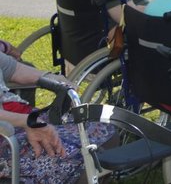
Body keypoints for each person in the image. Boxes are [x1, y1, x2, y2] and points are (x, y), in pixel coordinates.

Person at [0, 49, 115, 183]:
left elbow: (13, 69)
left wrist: (52, 78)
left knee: (106, 131)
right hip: (7, 137)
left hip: (15, 121)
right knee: (80, 159)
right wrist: (28, 122)